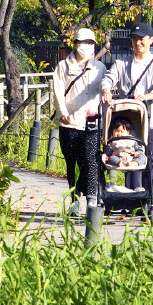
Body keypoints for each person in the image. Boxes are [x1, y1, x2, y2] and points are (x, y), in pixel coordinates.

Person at [101, 21, 153, 203]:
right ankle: (131, 198)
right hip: (129, 121)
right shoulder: (122, 63)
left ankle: (149, 200)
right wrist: (106, 89)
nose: (138, 43)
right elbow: (109, 78)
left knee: (150, 160)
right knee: (127, 156)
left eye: (142, 39)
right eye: (134, 39)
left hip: (152, 119)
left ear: (151, 40)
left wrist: (148, 95)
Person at [51, 27, 107, 219]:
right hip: (69, 121)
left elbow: (105, 88)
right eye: (83, 42)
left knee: (91, 160)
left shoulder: (100, 67)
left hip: (92, 121)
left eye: (91, 43)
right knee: (72, 163)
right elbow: (57, 91)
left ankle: (92, 198)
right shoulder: (63, 66)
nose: (87, 46)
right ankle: (75, 200)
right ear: (74, 44)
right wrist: (63, 112)